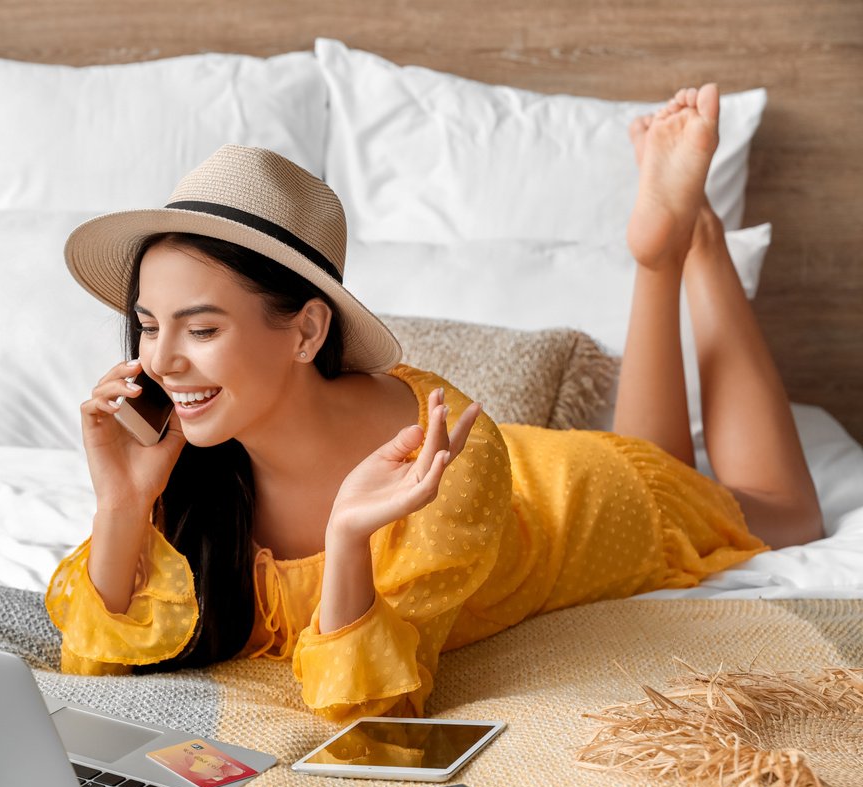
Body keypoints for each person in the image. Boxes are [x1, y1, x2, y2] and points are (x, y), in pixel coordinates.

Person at [44, 84, 825, 724]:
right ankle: (660, 258)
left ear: (307, 330)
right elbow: (97, 665)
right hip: (530, 484)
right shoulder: (189, 460)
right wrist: (122, 501)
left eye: (202, 328)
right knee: (664, 458)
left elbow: (375, 704)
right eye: (147, 326)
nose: (161, 361)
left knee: (777, 513)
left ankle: (693, 248)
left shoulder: (441, 464)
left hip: (579, 502)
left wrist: (348, 540)